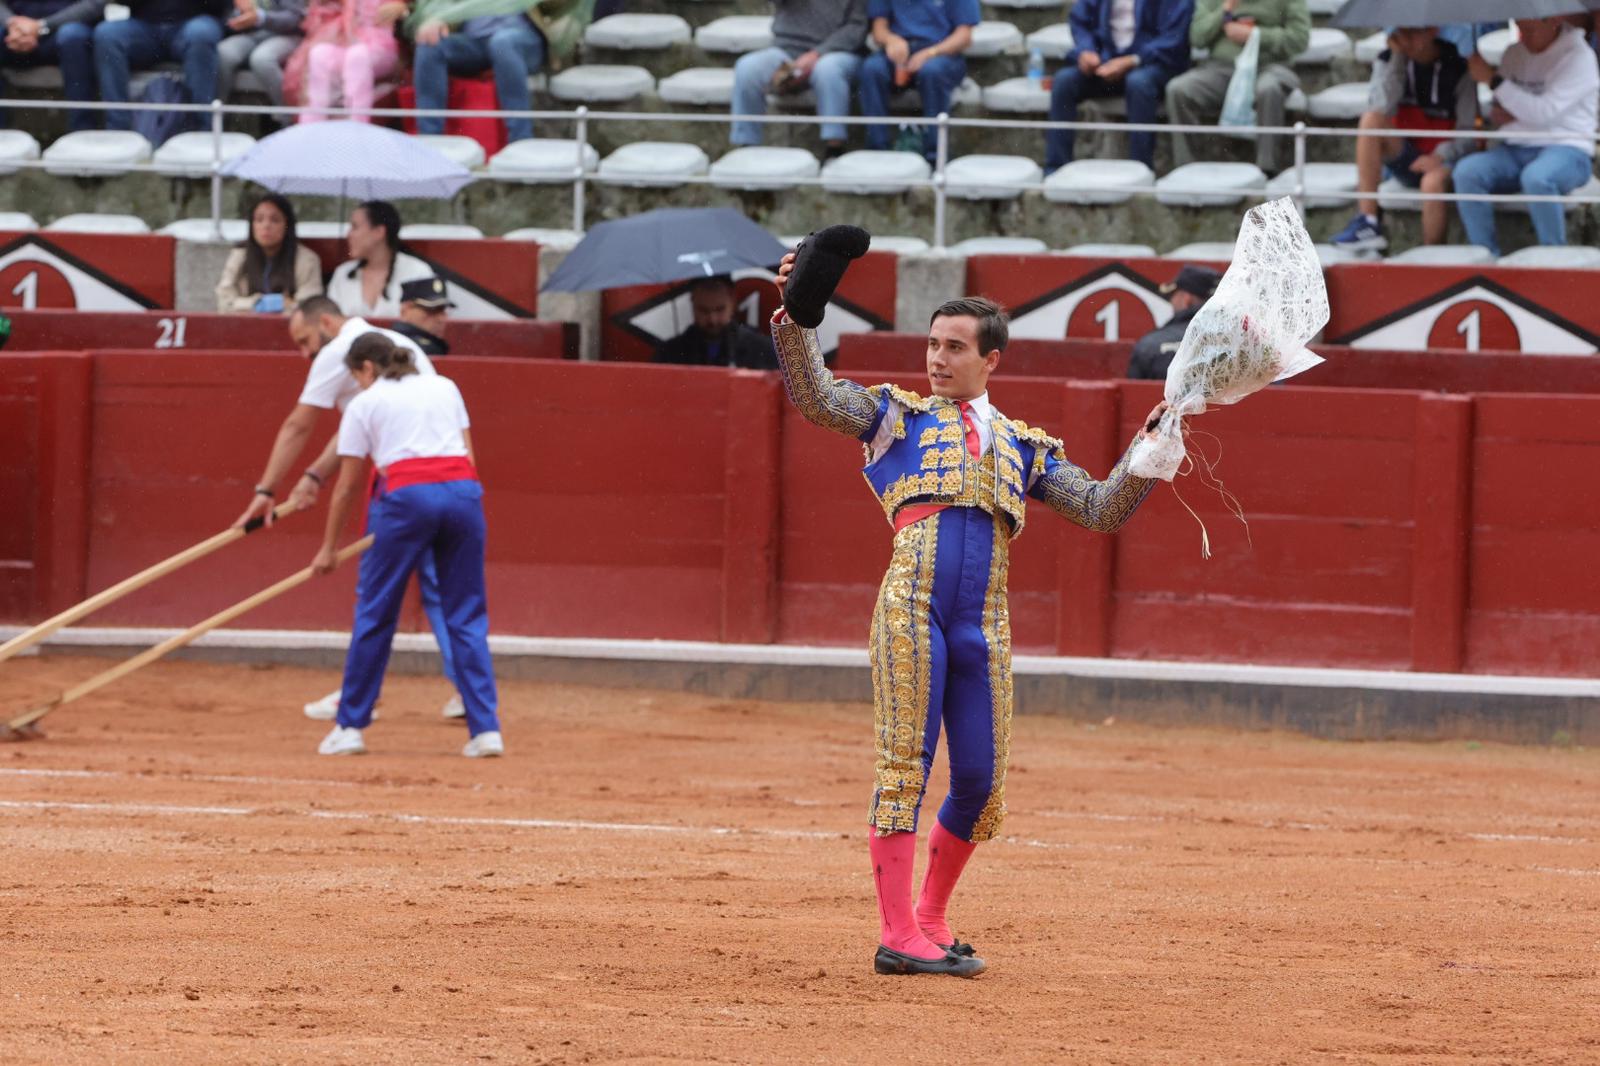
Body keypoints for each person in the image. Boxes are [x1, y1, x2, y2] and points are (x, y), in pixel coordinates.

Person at [770, 238, 1164, 978]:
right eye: (932, 344)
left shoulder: (1024, 445)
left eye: (955, 347)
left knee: (980, 781)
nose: (937, 359)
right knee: (904, 768)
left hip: (983, 621)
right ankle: (896, 935)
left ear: (992, 360)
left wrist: (1156, 443)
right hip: (910, 606)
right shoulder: (896, 416)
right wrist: (799, 317)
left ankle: (929, 917)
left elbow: (1102, 510)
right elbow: (817, 395)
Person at [234, 294, 469, 724]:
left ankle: (358, 699)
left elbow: (299, 424)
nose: (306, 353)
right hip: (448, 481)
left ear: (325, 321)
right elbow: (356, 426)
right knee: (438, 588)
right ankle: (467, 692)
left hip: (399, 487)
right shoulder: (392, 344)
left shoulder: (340, 350)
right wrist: (313, 477)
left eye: (306, 339)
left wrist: (266, 490)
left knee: (377, 598)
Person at [311, 332, 502, 758]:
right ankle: (486, 729)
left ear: (366, 368)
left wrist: (328, 548)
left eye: (356, 377)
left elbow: (346, 487)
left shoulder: (367, 401)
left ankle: (350, 726)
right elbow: (469, 457)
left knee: (376, 614)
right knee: (466, 614)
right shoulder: (444, 386)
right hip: (462, 494)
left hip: (405, 499)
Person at [1454, 17, 1599, 256]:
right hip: (1515, 147)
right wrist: (1517, 107)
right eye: (1520, 28)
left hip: (1567, 149)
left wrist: (1494, 81)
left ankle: (1554, 260)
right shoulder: (1514, 53)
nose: (1524, 36)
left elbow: (1542, 112)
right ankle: (1484, 257)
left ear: (1552, 22)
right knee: (1467, 172)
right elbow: (1500, 110)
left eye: (1530, 29)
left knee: (1537, 179)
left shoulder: (1581, 58)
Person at [1329, 27, 1476, 253]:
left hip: (1443, 161)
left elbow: (1469, 133)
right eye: (1399, 32)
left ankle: (1432, 255)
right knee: (1370, 120)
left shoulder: (1458, 65)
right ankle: (1368, 221)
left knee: (1432, 182)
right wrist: (1397, 59)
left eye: (1413, 32)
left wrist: (1439, 156)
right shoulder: (1388, 60)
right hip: (1406, 156)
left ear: (1432, 31)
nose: (1404, 39)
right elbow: (1381, 108)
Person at [1044, 0, 1193, 172]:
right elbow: (1080, 19)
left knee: (1138, 83)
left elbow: (1173, 38)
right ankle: (1055, 169)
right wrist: (1087, 51)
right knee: (1064, 81)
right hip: (1106, 62)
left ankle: (1141, 169)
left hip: (1152, 65)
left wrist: (1132, 60)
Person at [1166, 0, 1310, 173]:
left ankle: (1267, 171)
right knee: (1178, 89)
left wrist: (1255, 34)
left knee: (1268, 89)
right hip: (1221, 69)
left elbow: (1300, 39)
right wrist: (1224, 11)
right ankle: (1187, 172)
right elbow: (1197, 38)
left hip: (1269, 67)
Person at [730, 0, 867, 159]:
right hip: (786, 50)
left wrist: (817, 54)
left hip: (837, 52)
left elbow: (857, 28)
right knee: (747, 68)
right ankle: (746, 147)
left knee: (828, 70)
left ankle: (834, 149)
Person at [408, 3, 549, 145]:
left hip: (522, 40)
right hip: (474, 42)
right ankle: (429, 140)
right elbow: (431, 6)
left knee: (502, 42)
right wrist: (434, 18)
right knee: (429, 45)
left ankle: (521, 141)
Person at [858, 0, 976, 162]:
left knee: (932, 72)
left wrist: (930, 53)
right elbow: (879, 29)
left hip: (942, 53)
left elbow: (964, 36)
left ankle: (936, 155)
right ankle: (877, 150)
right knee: (871, 69)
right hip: (898, 52)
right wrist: (892, 40)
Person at [92, 0, 225, 131]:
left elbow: (221, 5)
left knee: (201, 34)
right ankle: (119, 131)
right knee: (106, 34)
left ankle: (200, 132)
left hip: (193, 23)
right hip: (144, 27)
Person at [215, 193, 325, 314]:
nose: (266, 226)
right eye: (259, 219)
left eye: (275, 220)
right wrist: (257, 304)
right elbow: (224, 302)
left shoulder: (307, 259)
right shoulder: (240, 255)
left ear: (287, 225)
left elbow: (310, 307)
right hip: (244, 327)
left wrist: (286, 307)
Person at [291, 0, 400, 122]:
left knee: (357, 56)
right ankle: (312, 121)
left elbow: (411, 7)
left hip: (382, 46)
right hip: (350, 43)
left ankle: (357, 122)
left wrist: (403, 8)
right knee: (319, 53)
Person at [324, 200, 434, 318]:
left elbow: (428, 322)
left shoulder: (418, 273)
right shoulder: (342, 274)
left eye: (355, 227)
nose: (349, 235)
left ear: (379, 232)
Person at [0, 0, 98, 132]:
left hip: (64, 31)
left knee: (72, 37)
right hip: (15, 34)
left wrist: (41, 26)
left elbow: (95, 4)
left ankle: (81, 131)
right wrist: (12, 23)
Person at [652, 275, 778, 369]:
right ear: (692, 302)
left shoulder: (760, 349)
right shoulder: (669, 353)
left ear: (733, 301)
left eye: (719, 309)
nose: (712, 319)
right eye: (703, 310)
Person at [1125, 264, 1219, 379]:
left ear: (1186, 299)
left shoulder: (1150, 345)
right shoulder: (1235, 342)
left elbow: (1134, 390)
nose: (1171, 302)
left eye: (1172, 296)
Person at [216, 0, 303, 112]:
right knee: (224, 53)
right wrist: (239, 13)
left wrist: (261, 17)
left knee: (262, 59)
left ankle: (290, 116)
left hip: (287, 35)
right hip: (251, 34)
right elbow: (226, 16)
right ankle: (218, 116)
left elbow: (295, 17)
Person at [392, 275, 452, 356]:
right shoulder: (406, 345)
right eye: (431, 310)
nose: (441, 319)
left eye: (442, 311)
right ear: (405, 309)